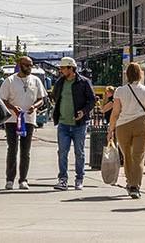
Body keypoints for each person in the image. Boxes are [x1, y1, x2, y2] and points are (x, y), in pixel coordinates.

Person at [108, 62, 145, 199]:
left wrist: (110, 129)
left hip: (122, 126)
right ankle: (135, 186)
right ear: (140, 74)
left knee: (127, 157)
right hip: (141, 125)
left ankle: (129, 183)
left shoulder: (120, 91)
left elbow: (115, 112)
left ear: (127, 75)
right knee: (138, 157)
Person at [0, 56, 45, 191]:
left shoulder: (35, 80)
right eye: (27, 65)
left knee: (26, 151)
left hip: (29, 120)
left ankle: (23, 179)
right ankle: (10, 179)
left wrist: (34, 107)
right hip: (12, 120)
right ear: (20, 65)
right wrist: (13, 108)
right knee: (12, 149)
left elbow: (41, 99)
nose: (30, 68)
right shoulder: (10, 81)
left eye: (31, 65)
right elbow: (2, 99)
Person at [50, 56, 96, 191]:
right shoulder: (60, 83)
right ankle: (63, 179)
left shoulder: (84, 82)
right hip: (63, 124)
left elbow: (92, 100)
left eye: (63, 68)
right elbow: (54, 96)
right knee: (62, 152)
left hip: (79, 125)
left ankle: (79, 178)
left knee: (79, 152)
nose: (61, 71)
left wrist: (83, 112)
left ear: (71, 68)